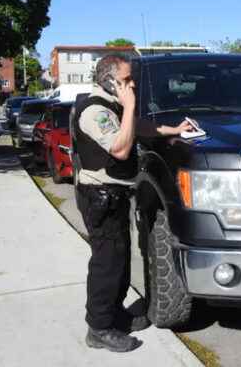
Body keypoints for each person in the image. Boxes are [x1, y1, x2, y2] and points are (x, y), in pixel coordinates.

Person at [72, 54, 193, 353]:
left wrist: (174, 130)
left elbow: (139, 127)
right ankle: (98, 328)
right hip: (99, 196)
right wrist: (129, 106)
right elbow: (121, 148)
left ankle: (115, 315)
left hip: (114, 196)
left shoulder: (112, 107)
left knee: (121, 260)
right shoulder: (93, 112)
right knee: (106, 264)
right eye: (126, 80)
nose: (132, 84)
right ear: (108, 80)